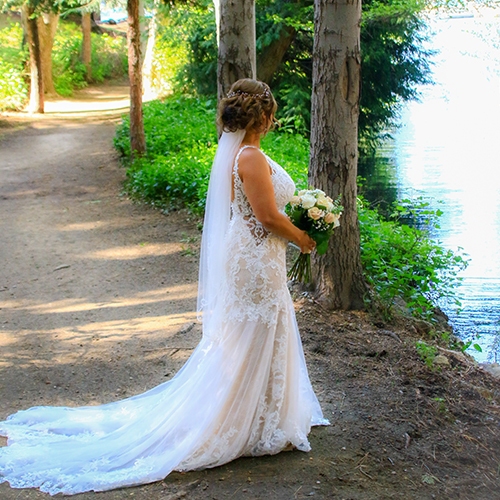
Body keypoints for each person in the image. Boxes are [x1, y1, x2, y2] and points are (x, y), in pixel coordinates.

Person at [0, 79, 328, 496]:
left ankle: (263, 413)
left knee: (261, 330)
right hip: (255, 257)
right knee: (254, 331)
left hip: (258, 256)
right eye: (271, 111)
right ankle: (240, 419)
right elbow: (265, 216)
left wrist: (299, 224)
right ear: (260, 115)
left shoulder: (246, 154)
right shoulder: (248, 157)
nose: (274, 118)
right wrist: (302, 236)